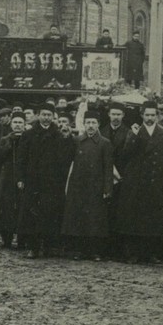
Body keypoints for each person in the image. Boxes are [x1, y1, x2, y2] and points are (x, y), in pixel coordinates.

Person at [116, 101, 163, 262]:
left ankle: (150, 253)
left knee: (152, 220)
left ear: (157, 116)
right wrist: (133, 136)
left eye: (153, 115)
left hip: (155, 182)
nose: (150, 118)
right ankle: (133, 253)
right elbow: (125, 154)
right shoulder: (134, 131)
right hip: (135, 181)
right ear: (142, 115)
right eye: (147, 115)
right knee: (134, 219)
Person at [16, 103, 74, 258]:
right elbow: (21, 158)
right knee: (32, 213)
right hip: (33, 180)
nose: (46, 117)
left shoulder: (59, 134)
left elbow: (67, 156)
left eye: (49, 115)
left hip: (53, 181)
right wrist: (20, 178)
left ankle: (48, 245)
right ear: (38, 115)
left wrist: (67, 139)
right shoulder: (29, 134)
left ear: (53, 116)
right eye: (43, 114)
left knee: (51, 213)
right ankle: (33, 247)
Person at [61, 110, 114, 260]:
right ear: (84, 124)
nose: (90, 126)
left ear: (98, 124)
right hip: (78, 186)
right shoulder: (76, 141)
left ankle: (94, 251)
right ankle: (79, 250)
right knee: (79, 219)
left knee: (95, 220)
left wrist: (107, 188)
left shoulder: (105, 143)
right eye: (88, 122)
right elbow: (67, 160)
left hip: (96, 187)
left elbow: (108, 168)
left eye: (93, 123)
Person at [0, 112, 26, 248]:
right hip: (7, 175)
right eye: (15, 123)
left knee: (22, 205)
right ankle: (6, 238)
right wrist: (10, 143)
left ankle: (22, 239)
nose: (17, 126)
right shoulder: (5, 139)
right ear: (11, 124)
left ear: (24, 125)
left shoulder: (28, 138)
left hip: (23, 175)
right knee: (5, 206)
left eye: (20, 123)